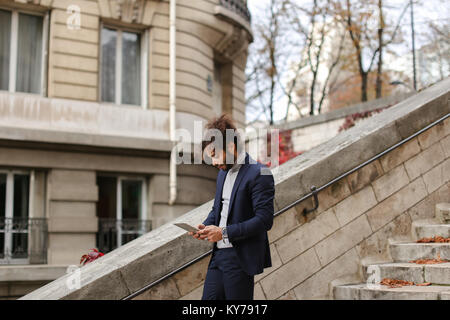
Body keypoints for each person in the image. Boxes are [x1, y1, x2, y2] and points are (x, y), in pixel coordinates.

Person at [188, 113, 275, 300]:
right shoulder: (223, 174)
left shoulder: (261, 173)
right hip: (218, 256)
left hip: (240, 257)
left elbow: (264, 220)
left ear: (230, 146)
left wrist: (224, 232)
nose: (214, 163)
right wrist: (204, 227)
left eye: (215, 155)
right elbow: (218, 210)